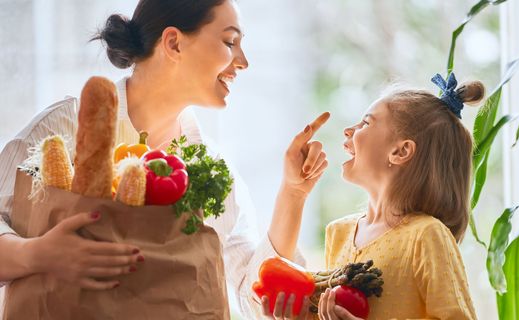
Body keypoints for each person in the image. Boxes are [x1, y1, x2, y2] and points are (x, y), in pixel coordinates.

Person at [0, 0, 328, 318]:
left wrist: (293, 194)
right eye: (230, 41)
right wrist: (35, 255)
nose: (243, 62)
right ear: (173, 43)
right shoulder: (64, 127)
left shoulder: (209, 168)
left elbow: (252, 290)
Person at [310, 73, 482, 319]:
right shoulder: (338, 233)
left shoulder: (426, 235)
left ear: (401, 151)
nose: (349, 130)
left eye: (366, 123)